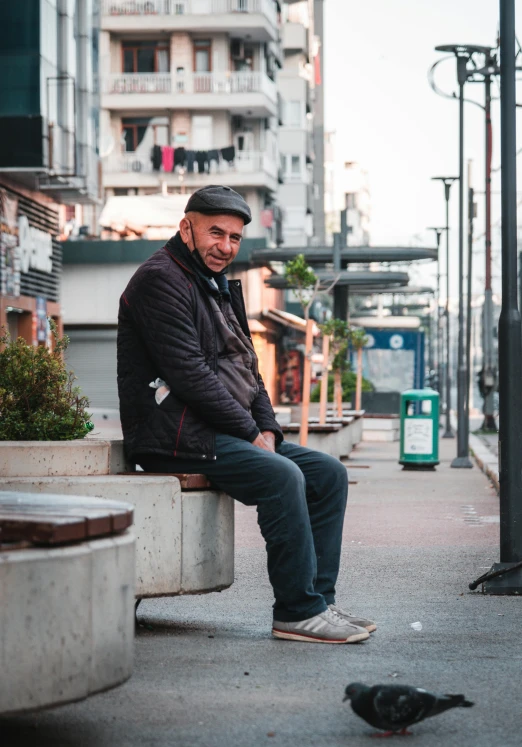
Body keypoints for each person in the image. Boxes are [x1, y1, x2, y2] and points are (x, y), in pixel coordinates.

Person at [117, 185, 376, 644]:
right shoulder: (160, 279)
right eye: (215, 233)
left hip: (217, 433)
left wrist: (269, 430)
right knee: (283, 477)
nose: (225, 246)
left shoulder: (213, 285)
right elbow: (192, 375)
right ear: (186, 227)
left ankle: (318, 601)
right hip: (172, 436)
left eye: (234, 238)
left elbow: (249, 372)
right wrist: (251, 433)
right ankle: (296, 612)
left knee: (327, 473)